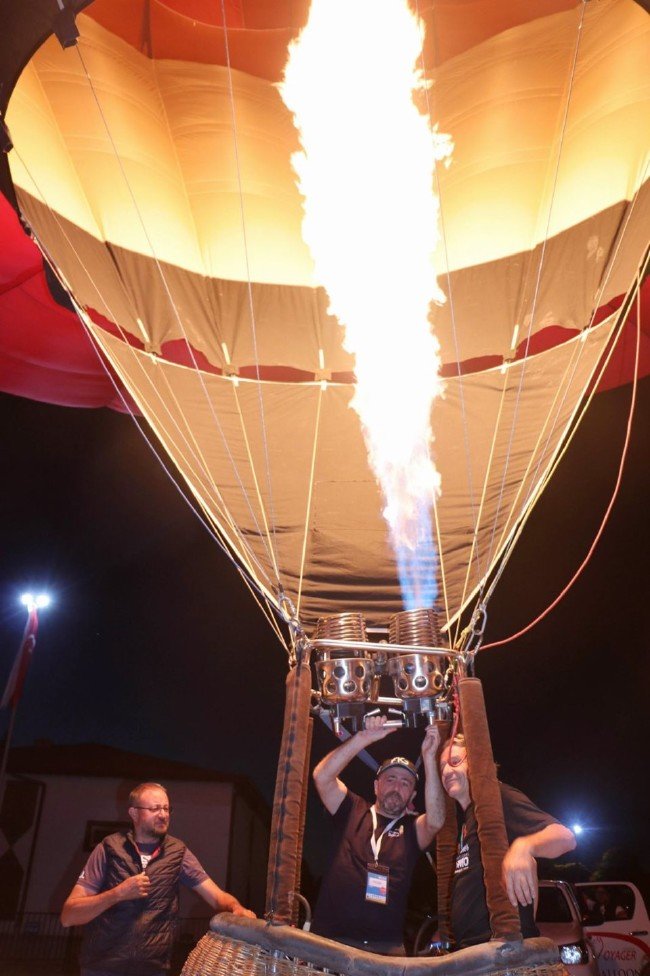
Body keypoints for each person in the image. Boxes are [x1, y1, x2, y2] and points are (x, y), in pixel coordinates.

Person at [61, 782, 255, 976]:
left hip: (152, 969)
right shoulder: (108, 848)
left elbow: (216, 896)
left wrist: (235, 907)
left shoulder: (178, 852)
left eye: (166, 808)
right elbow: (69, 916)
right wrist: (118, 893)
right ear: (134, 813)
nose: (163, 815)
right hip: (101, 968)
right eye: (154, 809)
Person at [311, 716, 445, 955]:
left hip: (386, 950)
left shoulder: (412, 828)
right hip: (329, 943)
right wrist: (362, 738)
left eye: (405, 783)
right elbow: (322, 777)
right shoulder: (352, 808)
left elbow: (436, 820)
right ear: (376, 786)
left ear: (413, 795)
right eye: (390, 779)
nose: (396, 786)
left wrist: (429, 757)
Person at [439, 734, 576, 949]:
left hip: (502, 949)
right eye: (442, 767)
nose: (447, 772)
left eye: (455, 762)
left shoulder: (496, 797)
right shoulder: (467, 820)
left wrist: (524, 846)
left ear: (475, 761)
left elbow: (565, 837)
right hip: (472, 950)